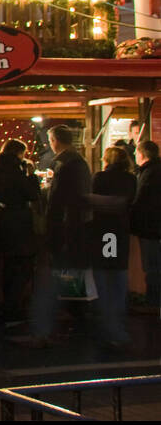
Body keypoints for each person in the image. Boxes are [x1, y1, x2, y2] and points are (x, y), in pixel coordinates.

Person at [30, 125, 93, 348]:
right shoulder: (80, 163)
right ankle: (78, 326)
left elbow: (58, 203)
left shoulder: (66, 165)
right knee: (70, 281)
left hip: (65, 232)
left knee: (52, 283)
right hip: (75, 232)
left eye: (50, 140)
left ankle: (43, 332)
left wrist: (51, 231)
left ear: (55, 140)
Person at [89, 146, 133, 349]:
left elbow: (92, 201)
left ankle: (108, 325)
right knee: (118, 275)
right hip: (120, 231)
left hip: (104, 232)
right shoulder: (130, 179)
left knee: (104, 277)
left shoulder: (100, 178)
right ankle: (117, 319)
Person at [0, 140, 39, 324]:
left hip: (5, 220)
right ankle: (14, 307)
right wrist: (31, 176)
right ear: (18, 153)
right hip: (20, 221)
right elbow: (33, 194)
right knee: (22, 266)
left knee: (9, 266)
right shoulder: (17, 172)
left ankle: (5, 306)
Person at [133, 140, 161, 308]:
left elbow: (141, 201)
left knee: (152, 266)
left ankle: (154, 301)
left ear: (142, 154)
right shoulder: (153, 171)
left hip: (150, 227)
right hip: (154, 226)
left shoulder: (148, 173)